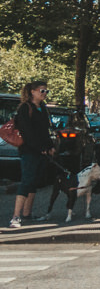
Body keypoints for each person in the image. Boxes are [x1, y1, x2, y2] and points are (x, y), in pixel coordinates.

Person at [8, 82, 55, 229]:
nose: (44, 93)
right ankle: (15, 216)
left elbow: (45, 130)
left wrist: (50, 146)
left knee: (34, 181)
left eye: (46, 91)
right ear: (32, 92)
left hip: (41, 151)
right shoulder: (25, 108)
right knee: (27, 180)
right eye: (42, 90)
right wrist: (40, 147)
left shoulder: (43, 108)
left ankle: (27, 214)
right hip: (29, 150)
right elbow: (27, 132)